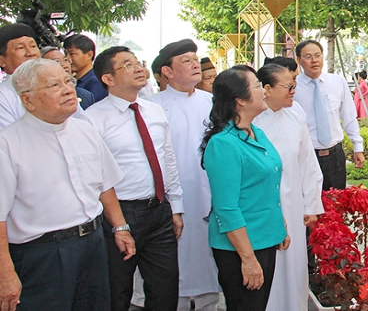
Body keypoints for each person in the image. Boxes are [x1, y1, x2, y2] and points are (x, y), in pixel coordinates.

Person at [0, 58, 135, 311]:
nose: (67, 89)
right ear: (27, 100)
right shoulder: (7, 144)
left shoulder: (85, 130)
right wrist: (5, 273)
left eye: (68, 81)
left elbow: (104, 184)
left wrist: (120, 227)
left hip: (92, 243)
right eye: (53, 85)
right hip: (42, 254)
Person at [84, 47, 184, 311]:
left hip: (159, 210)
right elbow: (93, 177)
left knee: (165, 289)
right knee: (117, 291)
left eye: (137, 62)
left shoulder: (153, 111)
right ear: (108, 78)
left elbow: (167, 159)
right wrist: (118, 225)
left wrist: (175, 207)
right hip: (120, 214)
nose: (139, 68)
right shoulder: (92, 119)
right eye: (128, 65)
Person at [201, 65, 290, 311]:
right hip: (241, 248)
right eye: (257, 86)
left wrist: (278, 225)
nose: (263, 90)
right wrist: (248, 259)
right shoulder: (223, 144)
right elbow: (226, 208)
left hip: (264, 238)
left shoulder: (256, 132)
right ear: (240, 99)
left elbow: (266, 183)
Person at [150, 39, 221, 311]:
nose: (195, 64)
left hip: (209, 191)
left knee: (207, 253)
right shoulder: (152, 107)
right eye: (186, 60)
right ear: (167, 71)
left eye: (195, 58)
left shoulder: (213, 102)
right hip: (172, 197)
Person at [254, 63, 324, 311]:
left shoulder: (295, 117)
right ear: (267, 89)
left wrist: (311, 205)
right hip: (260, 209)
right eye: (288, 86)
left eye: (295, 85)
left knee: (294, 265)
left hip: (293, 206)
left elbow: (308, 165)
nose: (294, 90)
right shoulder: (251, 122)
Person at [293, 40, 364, 191]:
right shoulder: (293, 87)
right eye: (308, 56)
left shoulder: (337, 82)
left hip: (335, 155)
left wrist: (357, 146)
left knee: (336, 203)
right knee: (308, 206)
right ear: (299, 60)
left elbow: (349, 116)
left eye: (318, 55)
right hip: (306, 156)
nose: (314, 60)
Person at [0, 24, 41, 130]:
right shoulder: (3, 96)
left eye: (33, 46)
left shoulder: (60, 85)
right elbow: (9, 138)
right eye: (20, 48)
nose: (30, 53)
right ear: (2, 60)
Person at [64, 34, 108, 102]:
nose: (67, 58)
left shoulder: (96, 82)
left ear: (89, 55)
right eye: (65, 54)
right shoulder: (73, 80)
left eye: (72, 54)